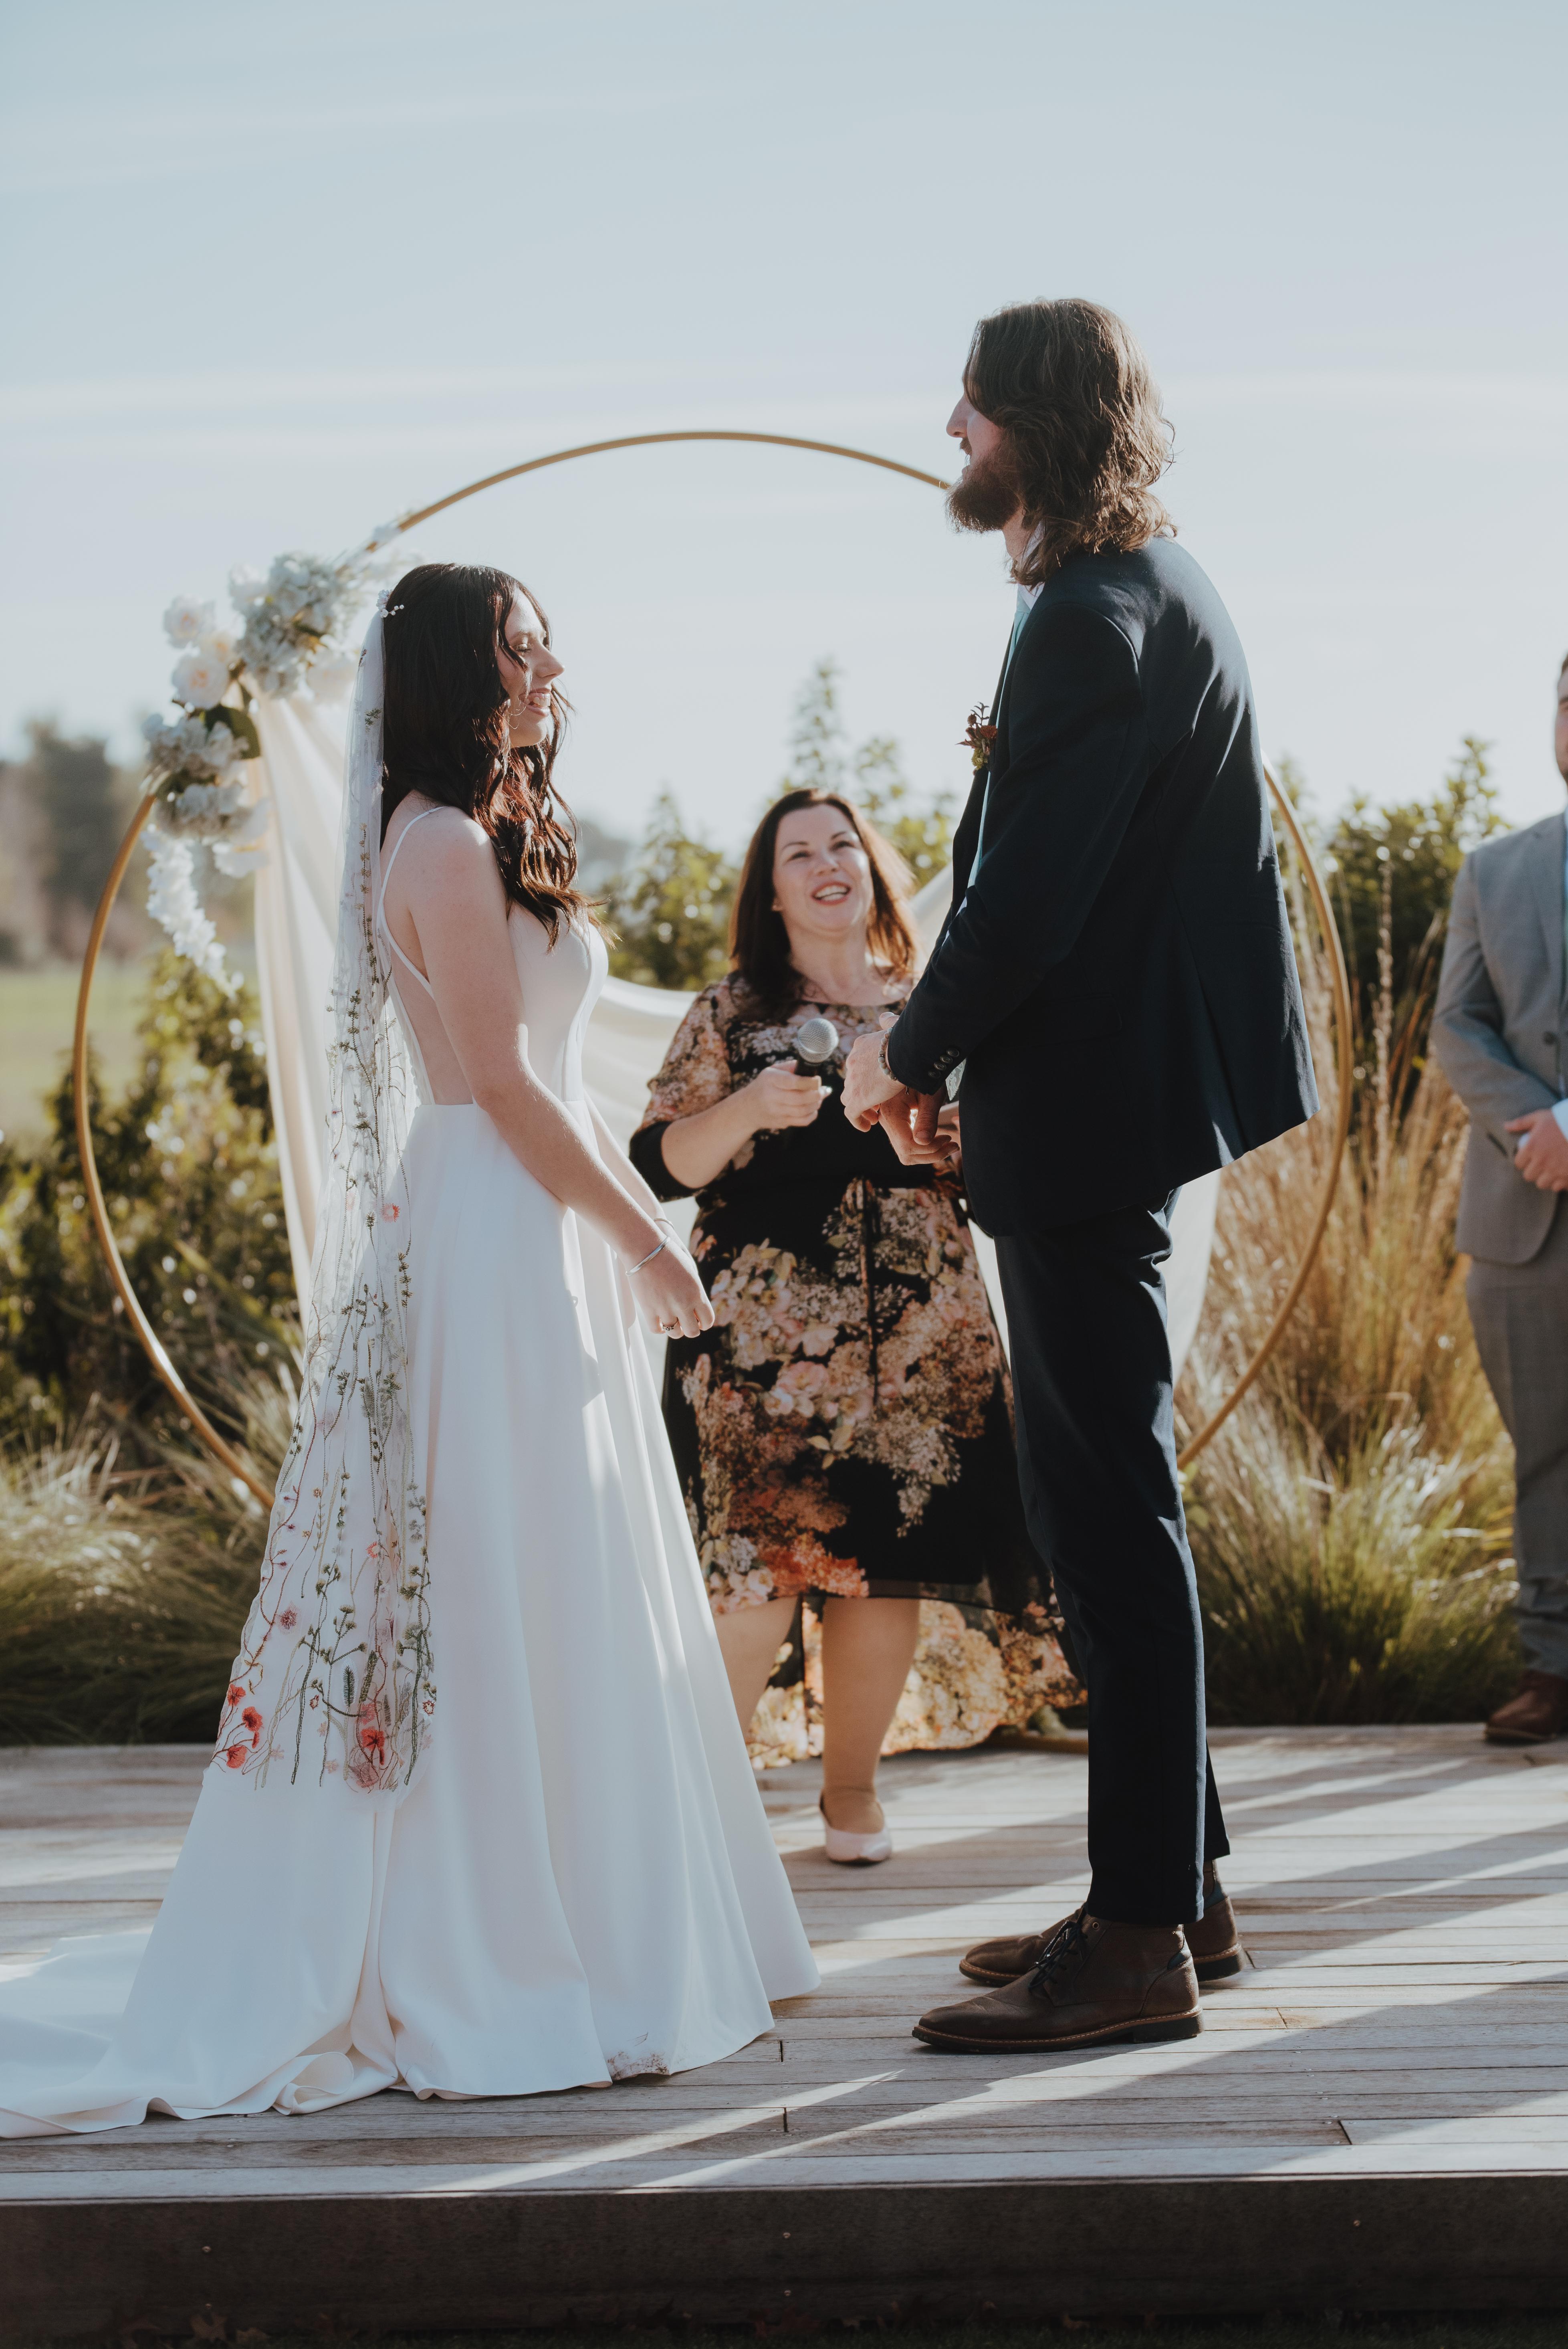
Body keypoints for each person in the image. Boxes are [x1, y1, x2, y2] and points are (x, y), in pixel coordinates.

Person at [0, 564, 816, 2137]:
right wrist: (644, 1234)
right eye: (523, 641)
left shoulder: (479, 830)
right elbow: (505, 1086)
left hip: (527, 1227)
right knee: (503, 1568)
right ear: (462, 665)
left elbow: (550, 1080)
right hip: (495, 1228)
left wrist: (626, 1219)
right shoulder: (437, 842)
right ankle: (491, 1941)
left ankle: (609, 1919)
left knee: (555, 1565)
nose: (551, 659)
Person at [844, 298, 1318, 2052]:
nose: (948, 420)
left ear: (1034, 415)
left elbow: (1025, 902)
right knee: (1108, 1506)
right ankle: (1175, 1886)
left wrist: (900, 1054)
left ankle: (1132, 1942)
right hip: (1098, 1105)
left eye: (972, 398)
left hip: (1092, 1119)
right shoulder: (1149, 591)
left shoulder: (1095, 615)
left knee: (1106, 1518)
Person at [630, 788, 1070, 1864]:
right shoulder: (729, 1014)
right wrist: (747, 1111)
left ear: (871, 869)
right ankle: (705, 1815)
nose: (827, 865)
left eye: (843, 847)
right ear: (769, 892)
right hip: (760, 1351)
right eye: (798, 853)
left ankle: (852, 1798)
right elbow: (654, 1166)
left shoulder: (939, 1008)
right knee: (758, 1580)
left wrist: (964, 1143)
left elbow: (1016, 1166)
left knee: (885, 1574)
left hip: (924, 1337)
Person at [1431, 654, 1568, 1746]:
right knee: (1544, 1447)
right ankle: (1552, 1664)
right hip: (1522, 1213)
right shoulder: (1493, 867)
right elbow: (1455, 1026)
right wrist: (1536, 1123)